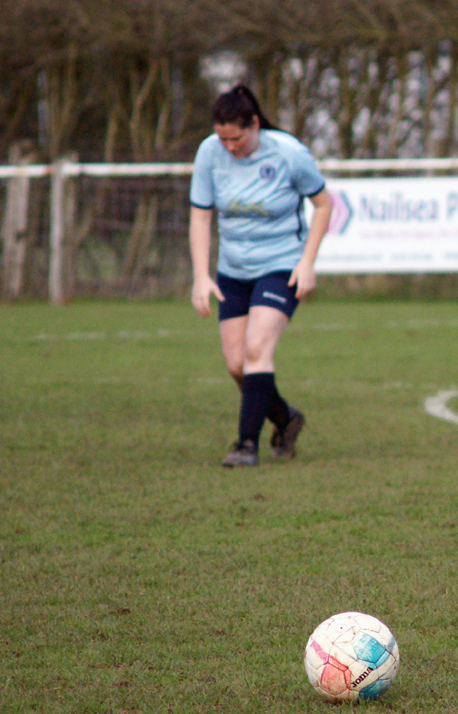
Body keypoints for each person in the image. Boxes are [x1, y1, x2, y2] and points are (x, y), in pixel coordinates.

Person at [189, 84, 333, 467]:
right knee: (238, 365)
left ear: (254, 125)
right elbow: (201, 214)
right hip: (233, 270)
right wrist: (201, 276)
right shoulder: (209, 153)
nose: (229, 147)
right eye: (222, 139)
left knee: (257, 350)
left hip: (281, 266)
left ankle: (245, 445)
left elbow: (323, 204)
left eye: (236, 138)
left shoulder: (288, 153)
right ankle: (285, 420)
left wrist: (307, 262)